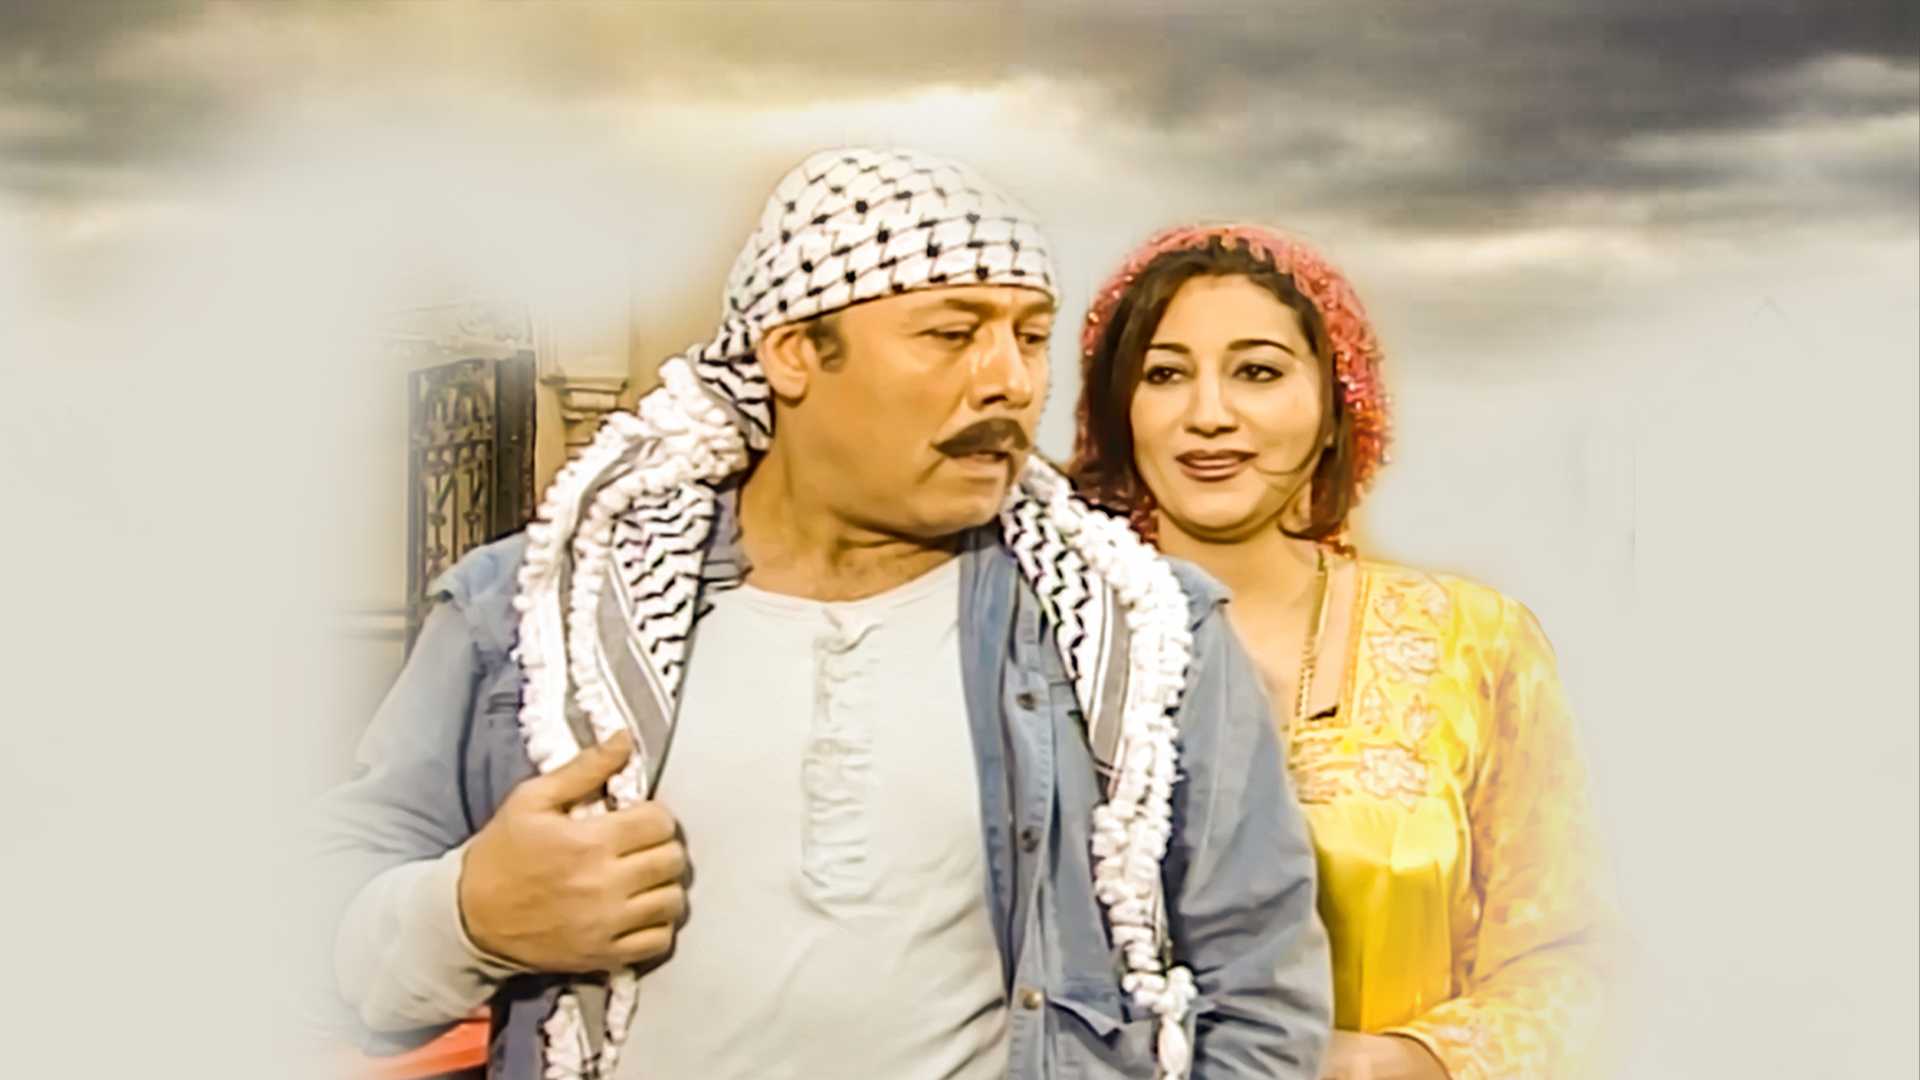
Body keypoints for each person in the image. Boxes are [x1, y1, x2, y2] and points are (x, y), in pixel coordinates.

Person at [312, 153, 1332, 1080]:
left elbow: (1261, 1003)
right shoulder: (533, 618)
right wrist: (470, 917)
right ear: (795, 353)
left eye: (1029, 337)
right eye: (952, 334)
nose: (1011, 383)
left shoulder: (1143, 635)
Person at [1069, 224, 1615, 1080]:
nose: (1208, 414)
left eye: (1257, 372)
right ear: (1119, 413)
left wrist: (1405, 1061)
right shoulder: (1047, 646)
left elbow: (1576, 964)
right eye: (1164, 374)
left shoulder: (1471, 640)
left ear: (1336, 407)